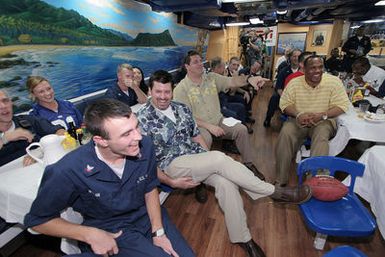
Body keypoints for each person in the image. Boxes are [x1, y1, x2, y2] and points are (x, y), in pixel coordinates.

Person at [136, 70, 312, 257]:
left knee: (227, 185)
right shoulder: (142, 119)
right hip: (171, 165)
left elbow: (196, 136)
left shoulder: (182, 108)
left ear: (172, 91)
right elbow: (145, 163)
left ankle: (244, 239)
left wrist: (207, 159)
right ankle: (274, 192)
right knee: (219, 158)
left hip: (195, 158)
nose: (163, 97)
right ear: (149, 91)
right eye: (158, 92)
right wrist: (170, 182)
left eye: (167, 92)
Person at [24, 98, 195, 257]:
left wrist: (158, 231)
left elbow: (150, 188)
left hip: (148, 216)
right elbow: (37, 220)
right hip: (111, 228)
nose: (138, 136)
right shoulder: (67, 170)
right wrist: (89, 234)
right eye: (126, 134)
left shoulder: (145, 145)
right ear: (101, 140)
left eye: (137, 126)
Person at [173, 50, 267, 181]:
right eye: (195, 62)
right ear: (187, 67)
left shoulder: (211, 78)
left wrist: (250, 79)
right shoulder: (180, 89)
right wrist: (210, 127)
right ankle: (200, 179)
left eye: (201, 60)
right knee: (206, 141)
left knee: (242, 129)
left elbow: (232, 81)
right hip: (200, 126)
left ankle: (249, 165)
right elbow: (187, 117)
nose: (200, 64)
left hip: (218, 119)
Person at [275, 55, 350, 186]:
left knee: (321, 135)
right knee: (286, 133)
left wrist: (322, 115)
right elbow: (285, 104)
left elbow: (342, 106)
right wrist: (299, 115)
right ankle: (280, 179)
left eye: (320, 67)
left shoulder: (334, 82)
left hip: (324, 120)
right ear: (304, 69)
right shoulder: (294, 83)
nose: (317, 71)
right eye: (313, 68)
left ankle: (314, 182)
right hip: (298, 120)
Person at [0, 89, 65, 167]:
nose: (3, 106)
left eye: (5, 101)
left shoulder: (28, 120)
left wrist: (41, 150)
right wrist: (4, 139)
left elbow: (61, 132)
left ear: (11, 103)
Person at [263, 49, 302, 127]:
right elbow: (279, 88)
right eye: (294, 56)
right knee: (274, 98)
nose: (296, 58)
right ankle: (268, 118)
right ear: (290, 58)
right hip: (284, 95)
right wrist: (285, 98)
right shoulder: (284, 71)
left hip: (300, 96)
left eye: (298, 56)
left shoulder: (304, 72)